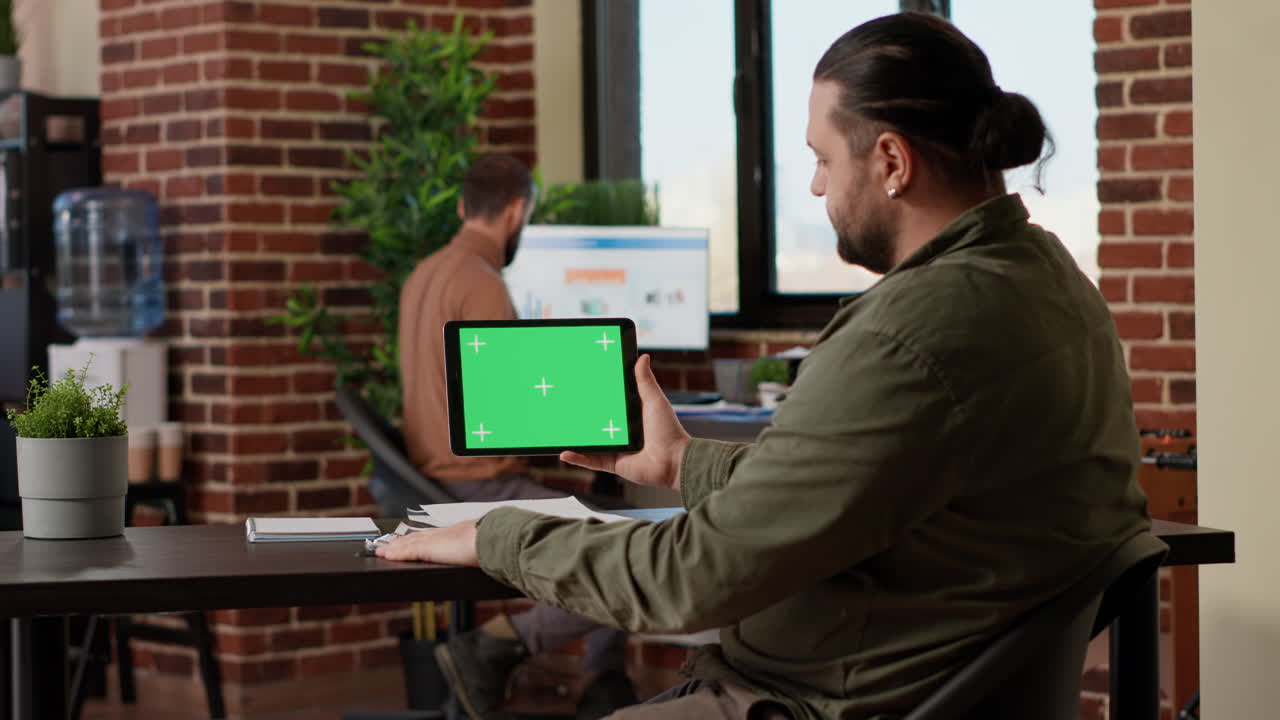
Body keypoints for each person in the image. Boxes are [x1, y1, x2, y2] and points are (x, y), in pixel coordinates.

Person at [378, 13, 1163, 720]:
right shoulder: (1054, 285)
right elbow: (860, 481)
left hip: (822, 698)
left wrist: (497, 536)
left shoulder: (910, 336)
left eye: (822, 159)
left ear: (891, 160)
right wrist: (682, 461)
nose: (817, 186)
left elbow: (688, 578)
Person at [390, 152, 638, 720]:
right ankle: (500, 643)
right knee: (623, 544)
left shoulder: (424, 273)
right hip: (475, 488)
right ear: (517, 211)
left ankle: (604, 681)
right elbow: (508, 420)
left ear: (460, 206)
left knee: (601, 514)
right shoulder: (482, 285)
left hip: (425, 477)